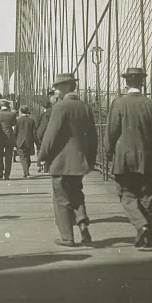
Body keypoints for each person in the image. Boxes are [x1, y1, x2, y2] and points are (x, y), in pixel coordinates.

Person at [37, 73, 98, 247]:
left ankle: (67, 237)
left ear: (65, 87)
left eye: (57, 87)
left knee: (61, 199)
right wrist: (90, 160)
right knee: (77, 194)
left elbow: (50, 135)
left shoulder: (60, 107)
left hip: (61, 162)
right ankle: (82, 223)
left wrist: (41, 156)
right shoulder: (86, 107)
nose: (55, 90)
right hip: (79, 162)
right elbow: (93, 137)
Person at [106, 67, 152, 249]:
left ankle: (141, 226)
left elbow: (112, 131)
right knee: (146, 196)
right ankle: (146, 239)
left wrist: (108, 151)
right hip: (147, 158)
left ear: (126, 83)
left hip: (124, 159)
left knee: (126, 194)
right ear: (142, 83)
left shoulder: (118, 103)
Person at [0, 98, 17, 179]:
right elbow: (13, 124)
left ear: (0, 106)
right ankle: (7, 174)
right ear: (8, 106)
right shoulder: (12, 114)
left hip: (0, 136)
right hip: (9, 137)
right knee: (8, 156)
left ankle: (0, 171)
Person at [15, 105, 38, 178]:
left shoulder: (18, 120)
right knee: (27, 157)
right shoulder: (32, 121)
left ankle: (26, 170)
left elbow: (15, 132)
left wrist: (14, 142)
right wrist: (36, 141)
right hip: (29, 141)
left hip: (20, 141)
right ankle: (26, 171)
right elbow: (34, 132)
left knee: (23, 157)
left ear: (21, 112)